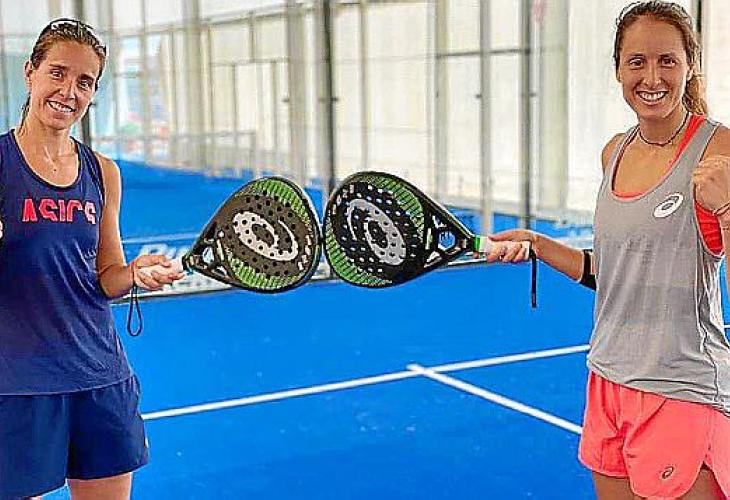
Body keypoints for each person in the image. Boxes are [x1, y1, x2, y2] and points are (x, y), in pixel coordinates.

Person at [490, 2, 730, 498]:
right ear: (618, 69)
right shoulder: (614, 151)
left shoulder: (719, 151)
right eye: (636, 61)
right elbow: (614, 272)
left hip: (681, 388)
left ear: (690, 65)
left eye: (667, 61)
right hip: (606, 382)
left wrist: (727, 210)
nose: (652, 77)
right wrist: (537, 244)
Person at [0, 19, 184, 499]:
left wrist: (135, 273)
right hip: (17, 386)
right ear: (30, 73)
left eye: (85, 82)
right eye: (57, 73)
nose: (69, 91)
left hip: (100, 376)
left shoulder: (102, 172)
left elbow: (106, 276)